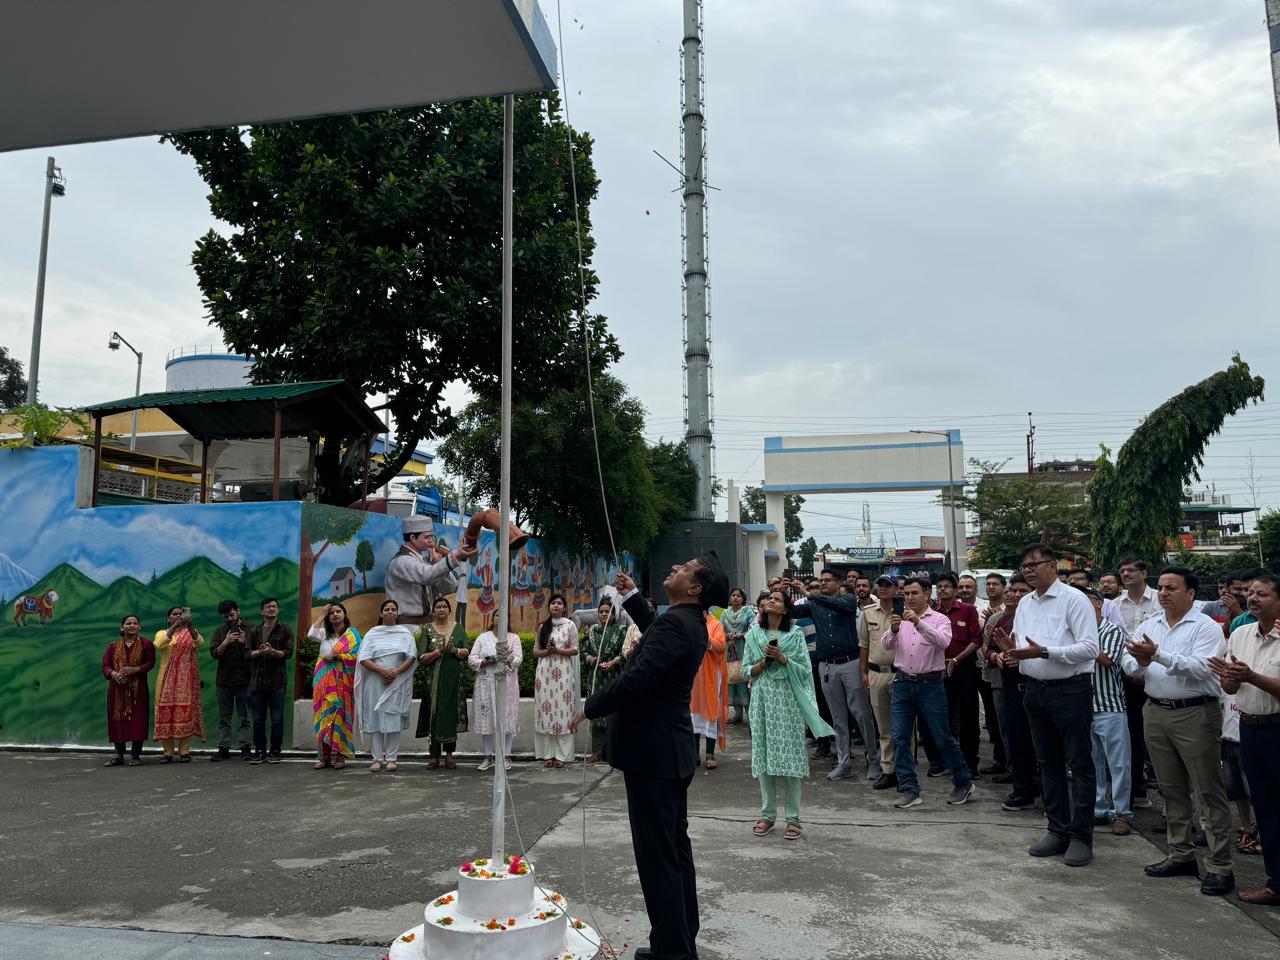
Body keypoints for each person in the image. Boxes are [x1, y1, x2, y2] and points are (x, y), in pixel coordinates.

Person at [570, 555, 730, 960]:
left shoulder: (679, 625)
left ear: (695, 588)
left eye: (686, 568)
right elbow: (658, 633)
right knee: (673, 853)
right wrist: (633, 598)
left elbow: (638, 679)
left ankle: (672, 952)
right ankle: (676, 943)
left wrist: (590, 707)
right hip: (667, 752)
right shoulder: (687, 622)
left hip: (653, 754)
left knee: (658, 859)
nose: (675, 567)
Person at [1129, 566, 1235, 896]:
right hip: (1156, 711)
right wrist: (1143, 660)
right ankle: (1181, 854)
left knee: (1208, 791)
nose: (1163, 593)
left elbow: (1202, 668)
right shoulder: (1149, 624)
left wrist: (1156, 655)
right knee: (1171, 789)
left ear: (1190, 593)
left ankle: (1220, 866)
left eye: (1171, 588)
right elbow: (1129, 663)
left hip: (1195, 713)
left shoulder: (1205, 627)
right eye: (1160, 588)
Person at [1002, 544, 1098, 867]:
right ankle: (1057, 829)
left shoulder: (1075, 599)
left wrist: (1045, 653)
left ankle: (1082, 836)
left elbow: (1089, 648)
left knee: (1079, 763)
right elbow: (1023, 643)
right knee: (1048, 762)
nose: (1027, 571)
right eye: (1024, 566)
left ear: (1053, 567)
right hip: (1034, 691)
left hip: (1070, 691)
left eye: (1034, 564)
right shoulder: (1026, 603)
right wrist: (1011, 653)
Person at [1211, 573, 1280, 905]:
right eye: (1250, 593)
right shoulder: (1239, 634)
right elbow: (1229, 688)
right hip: (1249, 729)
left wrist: (1252, 676)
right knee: (1264, 807)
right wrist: (1230, 678)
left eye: (1262, 594)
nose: (1253, 598)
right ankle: (1276, 882)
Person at [745, 588, 835, 840]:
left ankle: (793, 818)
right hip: (762, 701)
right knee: (764, 760)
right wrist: (763, 662)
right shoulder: (753, 635)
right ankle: (767, 815)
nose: (770, 601)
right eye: (768, 599)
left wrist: (782, 658)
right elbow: (743, 671)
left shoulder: (795, 635)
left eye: (776, 599)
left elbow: (806, 671)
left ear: (785, 609)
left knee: (791, 760)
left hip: (788, 702)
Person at [882, 577, 974, 809]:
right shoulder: (900, 619)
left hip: (930, 684)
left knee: (941, 736)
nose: (909, 598)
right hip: (903, 683)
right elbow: (886, 645)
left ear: (926, 594)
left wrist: (918, 623)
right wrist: (893, 630)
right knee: (900, 737)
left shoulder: (940, 619)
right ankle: (910, 788)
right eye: (906, 594)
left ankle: (963, 781)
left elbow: (943, 642)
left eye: (914, 593)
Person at [795, 568, 881, 783]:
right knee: (838, 719)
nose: (822, 584)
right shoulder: (815, 605)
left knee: (862, 714)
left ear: (837, 582)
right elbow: (793, 613)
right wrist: (779, 597)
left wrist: (810, 594)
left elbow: (838, 604)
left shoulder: (848, 600)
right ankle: (844, 763)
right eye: (821, 581)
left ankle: (874, 760)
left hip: (850, 663)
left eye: (827, 581)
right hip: (827, 666)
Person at [1076, 585, 1137, 836]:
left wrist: (1079, 644)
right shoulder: (1075, 630)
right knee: (1092, 762)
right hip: (1082, 706)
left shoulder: (1111, 630)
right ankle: (1099, 807)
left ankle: (1122, 812)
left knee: (1119, 764)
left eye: (1087, 600)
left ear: (1100, 603)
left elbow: (1106, 660)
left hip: (1109, 705)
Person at [986, 576, 1040, 810]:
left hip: (1036, 685)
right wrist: (995, 656)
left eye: (1021, 590)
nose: (1015, 595)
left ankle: (1046, 792)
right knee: (1015, 739)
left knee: (1041, 744)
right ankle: (1022, 790)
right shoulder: (1000, 619)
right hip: (1009, 687)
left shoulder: (1038, 618)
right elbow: (987, 647)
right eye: (1012, 590)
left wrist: (1023, 659)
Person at [1117, 555, 1159, 812]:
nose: (1126, 574)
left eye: (1131, 570)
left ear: (1144, 573)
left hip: (1157, 676)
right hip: (1127, 677)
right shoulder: (1115, 604)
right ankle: (1137, 789)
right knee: (1130, 734)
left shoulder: (1159, 601)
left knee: (1155, 736)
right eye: (1122, 570)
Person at [356, 599, 419, 772]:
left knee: (393, 719)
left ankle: (392, 758)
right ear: (381, 613)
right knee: (375, 720)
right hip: (375, 681)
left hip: (397, 681)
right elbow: (363, 658)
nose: (390, 612)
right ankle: (376, 759)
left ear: (397, 613)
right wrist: (382, 671)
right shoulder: (372, 633)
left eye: (393, 609)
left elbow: (411, 657)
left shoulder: (405, 633)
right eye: (387, 609)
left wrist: (395, 672)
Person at [933, 572, 982, 784]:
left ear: (955, 591)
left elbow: (977, 640)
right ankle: (949, 762)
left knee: (969, 719)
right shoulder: (931, 614)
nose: (943, 589)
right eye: (939, 586)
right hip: (939, 671)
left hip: (965, 668)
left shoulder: (968, 611)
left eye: (947, 586)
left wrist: (956, 659)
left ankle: (971, 763)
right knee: (944, 718)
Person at [384, 515, 477, 625]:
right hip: (406, 627)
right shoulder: (402, 561)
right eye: (427, 537)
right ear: (413, 538)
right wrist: (455, 555)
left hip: (425, 625)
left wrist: (438, 561)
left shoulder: (422, 561)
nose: (431, 540)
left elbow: (449, 587)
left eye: (431, 537)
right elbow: (427, 575)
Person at [414, 596, 470, 770]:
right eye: (438, 606)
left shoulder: (457, 628)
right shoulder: (427, 629)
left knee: (450, 714)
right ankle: (434, 756)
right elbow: (421, 657)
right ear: (434, 610)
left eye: (444, 606)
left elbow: (466, 652)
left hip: (453, 680)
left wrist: (453, 650)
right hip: (433, 682)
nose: (441, 609)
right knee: (434, 714)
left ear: (449, 609)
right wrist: (438, 651)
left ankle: (450, 756)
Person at [310, 601, 361, 770]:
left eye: (338, 611)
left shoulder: (352, 635)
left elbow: (357, 657)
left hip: (344, 682)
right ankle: (324, 757)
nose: (335, 614)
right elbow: (311, 634)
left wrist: (337, 656)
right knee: (324, 717)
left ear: (344, 615)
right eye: (331, 613)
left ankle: (340, 757)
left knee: (341, 716)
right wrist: (323, 614)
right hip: (323, 682)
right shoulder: (324, 634)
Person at [859, 575, 899, 790]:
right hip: (876, 673)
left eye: (888, 585)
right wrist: (863, 672)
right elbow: (864, 644)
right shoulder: (867, 613)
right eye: (881, 585)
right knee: (883, 726)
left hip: (899, 673)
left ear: (896, 589)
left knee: (903, 727)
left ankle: (905, 770)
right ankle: (888, 770)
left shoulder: (904, 612)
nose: (883, 589)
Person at [469, 612, 523, 771]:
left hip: (507, 683)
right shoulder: (482, 638)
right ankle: (488, 757)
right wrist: (486, 661)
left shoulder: (513, 638)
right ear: (493, 619)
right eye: (497, 615)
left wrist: (506, 659)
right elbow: (471, 660)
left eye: (504, 615)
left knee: (506, 719)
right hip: (485, 684)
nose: (500, 618)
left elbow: (518, 659)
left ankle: (506, 756)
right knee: (487, 720)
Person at [533, 593, 580, 768]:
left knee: (562, 711)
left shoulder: (570, 625)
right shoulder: (542, 626)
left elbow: (575, 650)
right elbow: (536, 651)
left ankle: (562, 756)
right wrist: (548, 651)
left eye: (559, 603)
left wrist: (558, 651)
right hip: (544, 673)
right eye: (553, 603)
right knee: (546, 712)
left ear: (564, 607)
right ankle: (548, 755)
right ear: (549, 607)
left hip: (564, 673)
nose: (556, 606)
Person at [153, 606, 205, 763]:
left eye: (180, 614)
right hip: (165, 680)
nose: (178, 616)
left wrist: (189, 627)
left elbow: (200, 643)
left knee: (185, 712)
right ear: (168, 618)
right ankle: (167, 752)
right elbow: (160, 644)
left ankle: (184, 751)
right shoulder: (162, 632)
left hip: (186, 680)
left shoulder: (190, 632)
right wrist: (175, 627)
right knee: (165, 712)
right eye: (174, 615)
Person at [102, 615, 155, 766]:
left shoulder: (146, 644)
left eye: (135, 623)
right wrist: (114, 674)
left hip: (138, 690)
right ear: (122, 627)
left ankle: (135, 756)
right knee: (117, 721)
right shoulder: (113, 647)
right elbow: (105, 665)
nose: (131, 626)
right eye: (128, 623)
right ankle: (119, 756)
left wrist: (134, 669)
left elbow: (150, 663)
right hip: (116, 690)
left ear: (139, 627)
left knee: (138, 721)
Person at [247, 597, 294, 764]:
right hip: (257, 683)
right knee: (258, 720)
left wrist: (273, 651)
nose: (271, 609)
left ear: (278, 610)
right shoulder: (253, 631)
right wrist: (259, 653)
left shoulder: (285, 630)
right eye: (268, 607)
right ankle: (259, 752)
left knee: (277, 719)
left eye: (274, 607)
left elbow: (288, 653)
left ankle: (275, 752)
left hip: (277, 682)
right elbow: (247, 654)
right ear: (262, 611)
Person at [581, 598, 626, 763]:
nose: (604, 614)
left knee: (613, 714)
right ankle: (596, 752)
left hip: (613, 676)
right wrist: (590, 659)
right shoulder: (591, 631)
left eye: (608, 611)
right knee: (595, 712)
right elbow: (583, 651)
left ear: (613, 614)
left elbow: (625, 652)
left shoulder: (620, 631)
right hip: (595, 678)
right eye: (601, 611)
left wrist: (614, 662)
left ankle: (613, 752)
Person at [209, 600, 252, 762]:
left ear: (238, 611)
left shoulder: (251, 629)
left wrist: (244, 643)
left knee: (245, 717)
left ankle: (245, 748)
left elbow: (253, 652)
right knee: (224, 717)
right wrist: (226, 642)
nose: (229, 619)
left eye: (232, 615)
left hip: (245, 679)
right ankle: (224, 748)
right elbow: (215, 654)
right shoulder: (220, 632)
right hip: (224, 680)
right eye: (226, 617)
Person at [975, 573, 1008, 778]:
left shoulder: (1010, 610)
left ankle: (1010, 762)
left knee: (1006, 720)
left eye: (996, 584)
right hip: (986, 668)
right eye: (988, 584)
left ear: (1005, 588)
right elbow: (981, 640)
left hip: (1008, 672)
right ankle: (999, 758)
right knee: (993, 717)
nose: (991, 587)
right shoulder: (982, 610)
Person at [690, 611, 729, 769]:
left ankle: (710, 754)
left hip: (711, 676)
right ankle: (694, 754)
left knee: (711, 713)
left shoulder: (715, 624)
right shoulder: (690, 623)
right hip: (692, 676)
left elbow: (721, 646)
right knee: (692, 715)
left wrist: (704, 638)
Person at [720, 588, 755, 725]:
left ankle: (750, 714)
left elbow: (753, 629)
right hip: (729, 650)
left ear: (743, 598)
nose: (735, 598)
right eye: (733, 595)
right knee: (732, 678)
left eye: (738, 596)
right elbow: (720, 631)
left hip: (743, 649)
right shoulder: (725, 613)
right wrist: (728, 636)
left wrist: (740, 635)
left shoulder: (748, 612)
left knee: (744, 679)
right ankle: (737, 714)